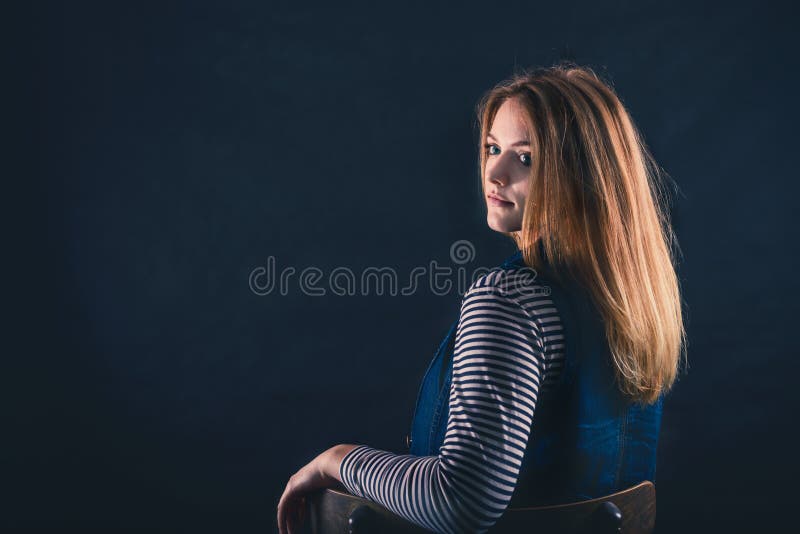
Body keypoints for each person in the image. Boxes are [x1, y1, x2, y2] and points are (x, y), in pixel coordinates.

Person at [276, 62, 687, 534]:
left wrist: (338, 460)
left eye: (526, 158)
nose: (494, 171)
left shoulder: (509, 302)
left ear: (583, 174)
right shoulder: (633, 300)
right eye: (493, 148)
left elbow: (460, 502)